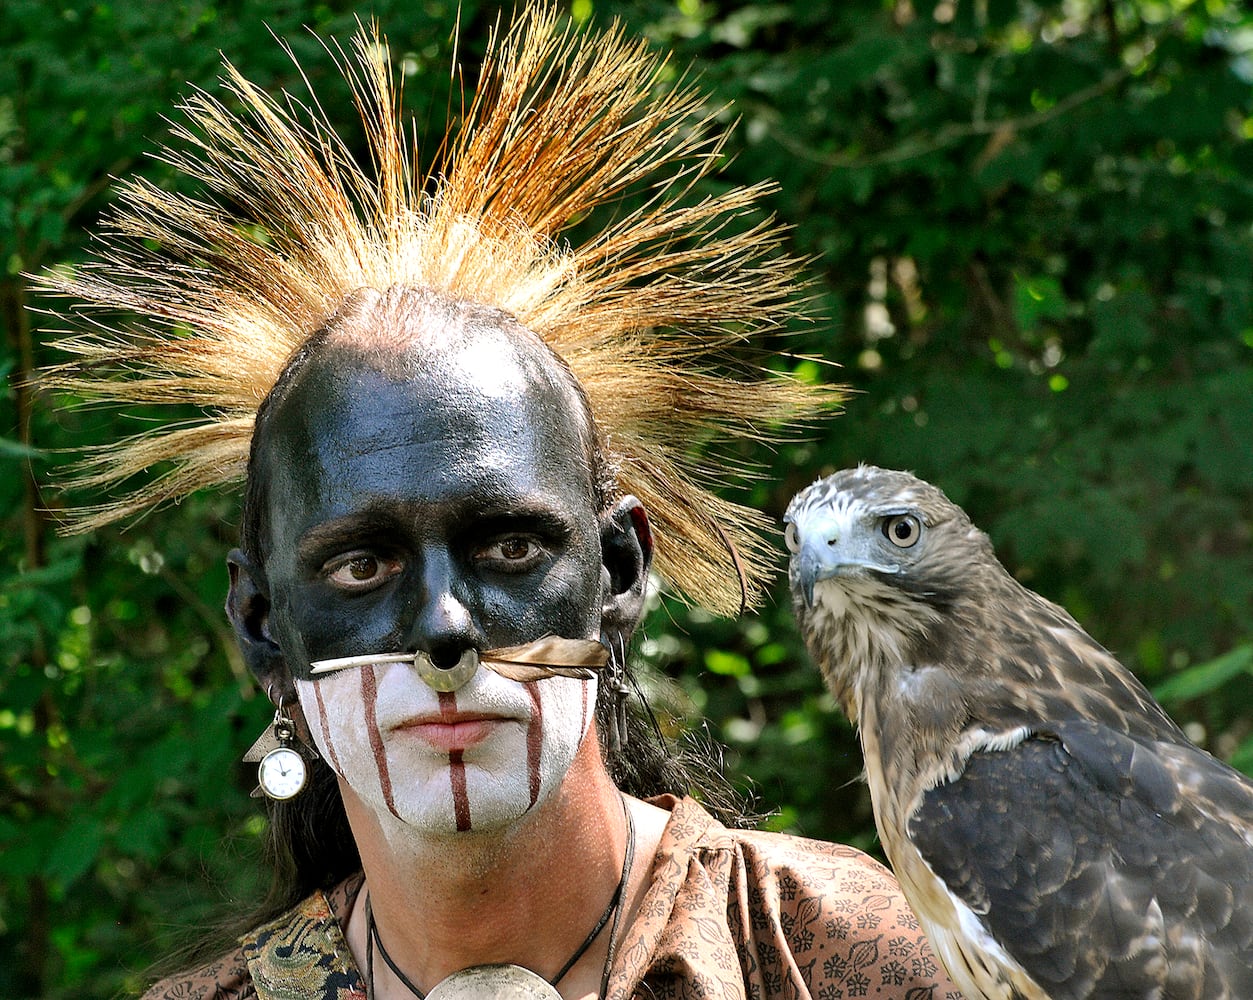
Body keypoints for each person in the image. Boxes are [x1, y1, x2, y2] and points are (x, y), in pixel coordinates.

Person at [38, 7, 961, 999]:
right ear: (265, 625)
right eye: (362, 563)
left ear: (615, 575)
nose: (444, 629)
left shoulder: (839, 953)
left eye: (508, 547)